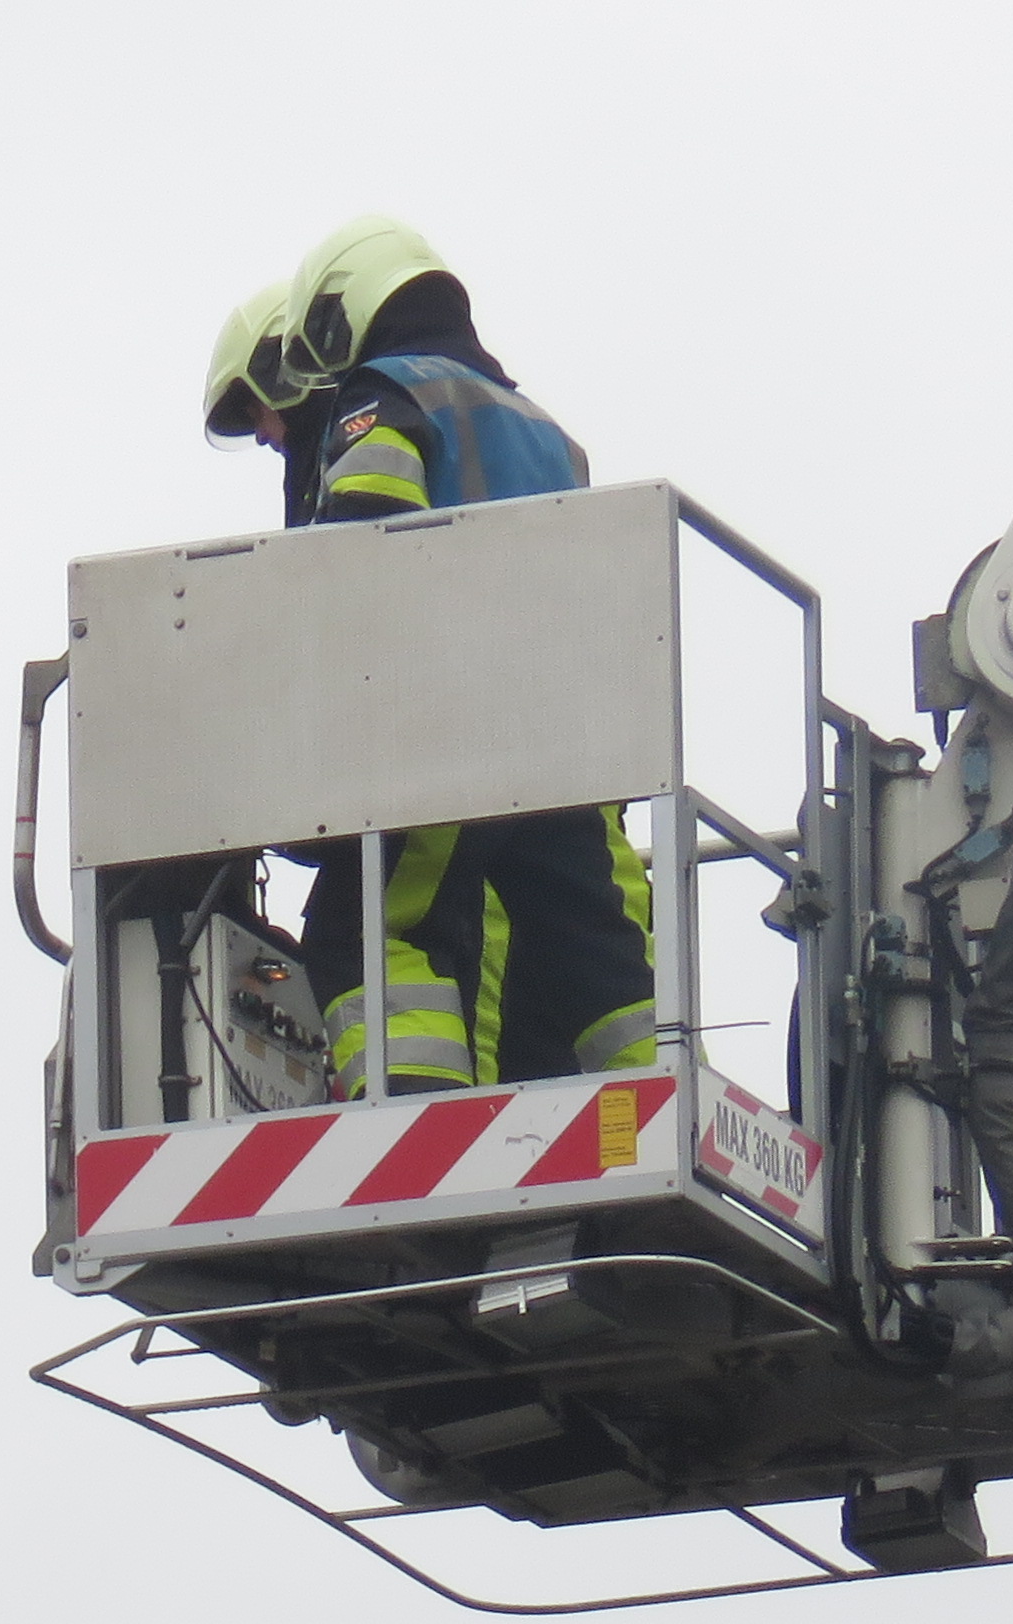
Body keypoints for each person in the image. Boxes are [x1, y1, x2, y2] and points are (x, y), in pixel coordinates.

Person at [220, 216, 659, 1097]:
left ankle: (415, 1111)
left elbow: (360, 560)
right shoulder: (545, 428)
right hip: (568, 750)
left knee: (370, 931)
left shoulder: (384, 396)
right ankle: (660, 1090)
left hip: (446, 735)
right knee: (595, 946)